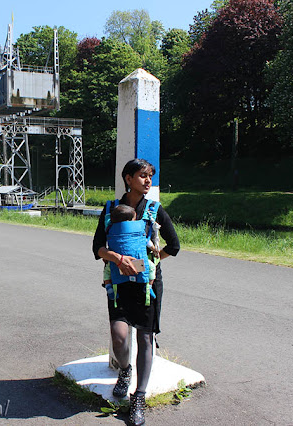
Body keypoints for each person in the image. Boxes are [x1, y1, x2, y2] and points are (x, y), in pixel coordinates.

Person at [92, 159, 179, 426]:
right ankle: (125, 371)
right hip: (118, 284)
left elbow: (174, 245)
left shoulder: (154, 210)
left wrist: (150, 262)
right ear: (128, 178)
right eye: (142, 176)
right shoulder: (110, 210)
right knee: (119, 337)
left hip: (147, 287)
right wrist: (119, 258)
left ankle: (138, 397)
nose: (148, 181)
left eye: (150, 176)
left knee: (144, 338)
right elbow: (97, 248)